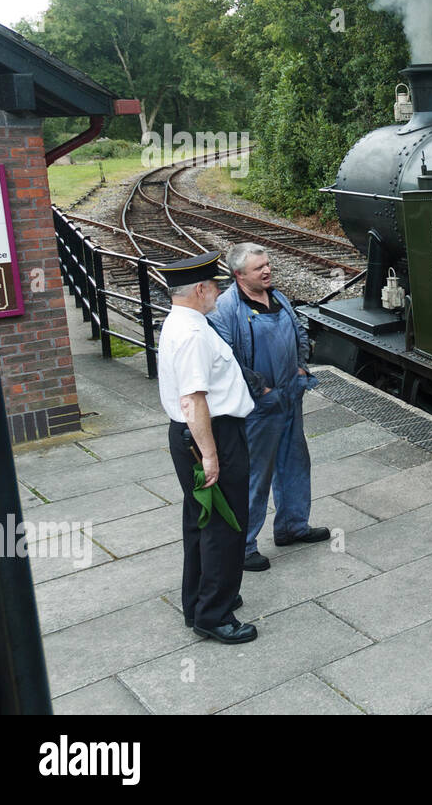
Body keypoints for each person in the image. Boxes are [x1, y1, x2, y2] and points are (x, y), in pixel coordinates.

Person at [156, 251, 257, 645]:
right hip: (211, 435)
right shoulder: (195, 332)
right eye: (216, 285)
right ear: (200, 289)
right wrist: (211, 455)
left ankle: (198, 601)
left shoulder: (178, 322)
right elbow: (194, 398)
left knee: (200, 519)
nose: (220, 291)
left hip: (189, 435)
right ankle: (215, 615)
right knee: (225, 524)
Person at [207, 243, 327, 571]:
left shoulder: (277, 296)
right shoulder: (225, 308)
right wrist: (262, 389)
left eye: (268, 264)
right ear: (238, 275)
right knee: (255, 476)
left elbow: (299, 331)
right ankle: (243, 547)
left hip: (291, 396)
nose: (267, 270)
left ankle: (292, 526)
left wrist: (301, 366)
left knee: (296, 463)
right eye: (259, 267)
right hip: (259, 407)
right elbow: (226, 359)